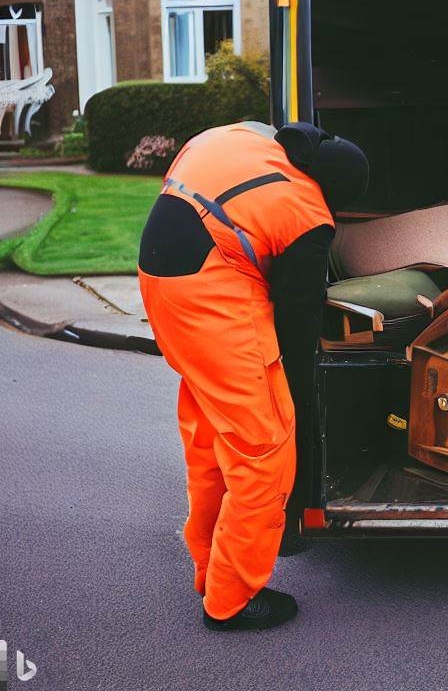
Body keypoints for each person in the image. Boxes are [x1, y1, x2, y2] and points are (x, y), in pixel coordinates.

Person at [138, 121, 368, 632]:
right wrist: (299, 415)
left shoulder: (246, 138)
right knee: (265, 449)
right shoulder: (309, 213)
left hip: (160, 282)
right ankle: (231, 601)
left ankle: (209, 566)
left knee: (212, 437)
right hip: (211, 296)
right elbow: (297, 327)